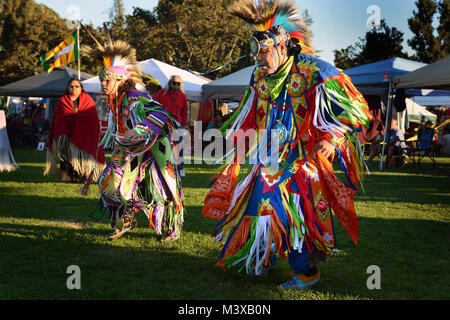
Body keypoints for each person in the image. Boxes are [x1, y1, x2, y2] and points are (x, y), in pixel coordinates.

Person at [203, 0, 372, 290]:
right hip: (269, 155)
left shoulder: (315, 70)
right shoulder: (260, 76)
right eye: (255, 54)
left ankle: (306, 271)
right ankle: (260, 256)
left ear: (283, 48)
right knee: (257, 202)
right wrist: (240, 144)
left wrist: (334, 138)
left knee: (292, 207)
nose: (258, 60)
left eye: (264, 52)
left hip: (303, 157)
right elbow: (250, 113)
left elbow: (357, 109)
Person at [83, 33, 185, 242]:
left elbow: (160, 113)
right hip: (129, 147)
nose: (103, 84)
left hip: (155, 145)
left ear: (120, 79)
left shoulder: (134, 97)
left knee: (164, 186)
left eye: (107, 80)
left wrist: (138, 130)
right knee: (109, 182)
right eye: (102, 80)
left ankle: (171, 228)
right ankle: (126, 219)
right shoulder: (115, 100)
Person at [44, 78, 105, 182]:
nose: (74, 89)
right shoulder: (62, 101)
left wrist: (78, 117)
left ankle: (82, 177)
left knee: (81, 157)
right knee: (67, 156)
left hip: (83, 134)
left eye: (77, 86)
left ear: (81, 88)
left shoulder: (88, 100)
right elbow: (58, 119)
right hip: (66, 134)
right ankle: (67, 177)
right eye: (71, 86)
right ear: (68, 88)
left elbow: (92, 118)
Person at [154, 76, 189, 176]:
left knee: (179, 147)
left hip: (177, 124)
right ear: (170, 83)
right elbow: (155, 105)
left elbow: (184, 112)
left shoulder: (182, 96)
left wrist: (184, 124)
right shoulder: (161, 93)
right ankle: (161, 166)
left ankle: (180, 168)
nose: (176, 85)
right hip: (163, 123)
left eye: (178, 84)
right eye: (174, 83)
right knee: (162, 145)